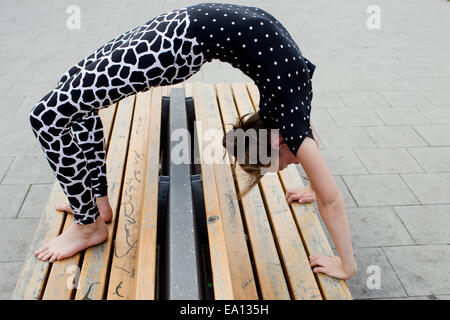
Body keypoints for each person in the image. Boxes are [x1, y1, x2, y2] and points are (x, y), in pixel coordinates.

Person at [30, 2, 356, 280]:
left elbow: (311, 146)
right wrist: (347, 264)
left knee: (52, 112)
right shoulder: (291, 121)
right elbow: (332, 200)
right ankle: (95, 206)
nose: (295, 162)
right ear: (276, 143)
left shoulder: (289, 111)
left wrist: (315, 183)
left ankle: (88, 225)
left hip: (182, 33)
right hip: (177, 39)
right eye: (286, 163)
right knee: (59, 104)